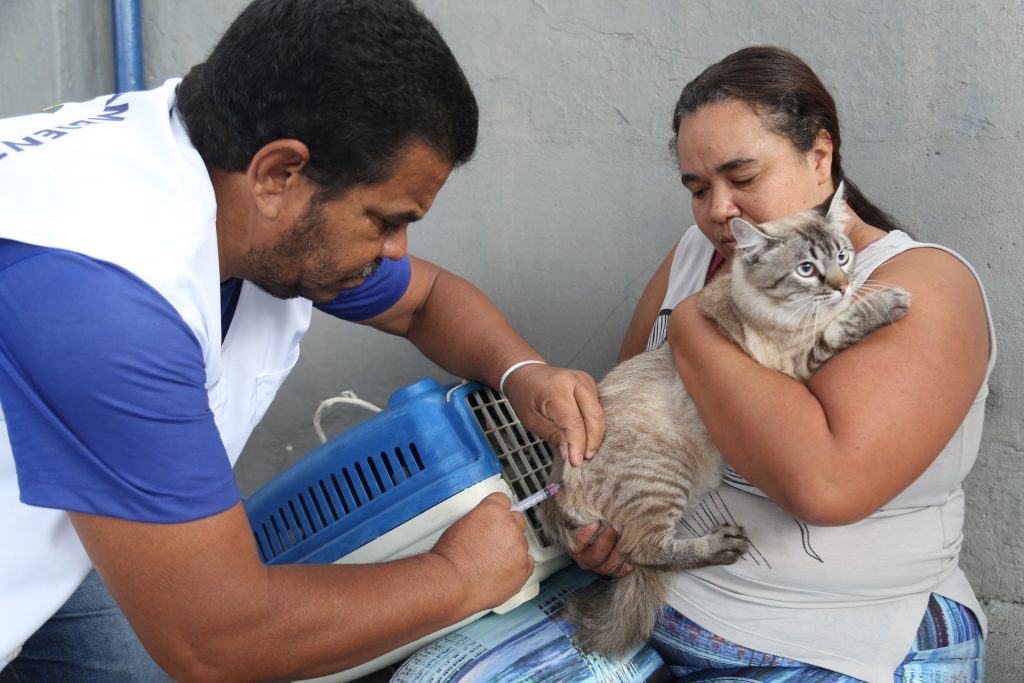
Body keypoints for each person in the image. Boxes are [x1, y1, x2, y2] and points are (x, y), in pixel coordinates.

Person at [0, 1, 606, 681]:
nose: (396, 250)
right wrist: (459, 576)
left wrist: (522, 371)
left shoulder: (229, 180)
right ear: (279, 175)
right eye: (385, 220)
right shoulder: (105, 296)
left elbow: (426, 301)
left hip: (52, 519)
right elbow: (218, 639)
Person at [394, 46, 994, 683]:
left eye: (744, 178)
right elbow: (623, 424)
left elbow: (825, 486)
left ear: (820, 157)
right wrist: (598, 525)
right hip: (658, 602)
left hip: (833, 635)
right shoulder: (696, 253)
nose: (718, 211)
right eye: (699, 189)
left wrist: (693, 325)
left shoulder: (917, 284)